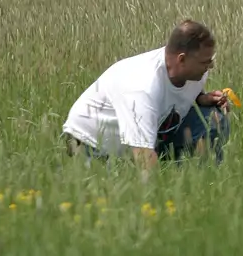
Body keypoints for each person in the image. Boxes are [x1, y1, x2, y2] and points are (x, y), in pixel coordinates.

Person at [62, 20, 231, 167]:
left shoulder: (195, 72)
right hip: (92, 146)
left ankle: (201, 183)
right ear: (181, 59)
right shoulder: (142, 87)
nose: (211, 66)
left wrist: (201, 98)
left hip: (150, 136)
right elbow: (143, 155)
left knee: (212, 118)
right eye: (205, 62)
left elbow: (177, 93)